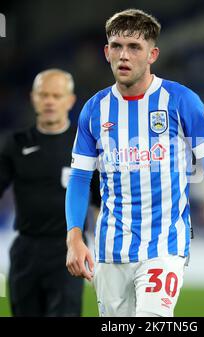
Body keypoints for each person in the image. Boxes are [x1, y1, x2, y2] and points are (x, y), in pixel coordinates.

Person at [65, 9, 204, 317]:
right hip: (110, 248)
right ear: (106, 52)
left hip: (164, 246)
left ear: (152, 54)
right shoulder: (94, 109)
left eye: (134, 47)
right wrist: (74, 236)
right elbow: (79, 178)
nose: (124, 55)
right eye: (117, 46)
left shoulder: (181, 101)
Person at [0, 69, 99, 316]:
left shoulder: (86, 145)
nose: (49, 101)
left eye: (56, 95)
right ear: (33, 98)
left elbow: (100, 202)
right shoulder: (16, 143)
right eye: (43, 95)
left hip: (68, 249)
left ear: (70, 100)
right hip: (26, 249)